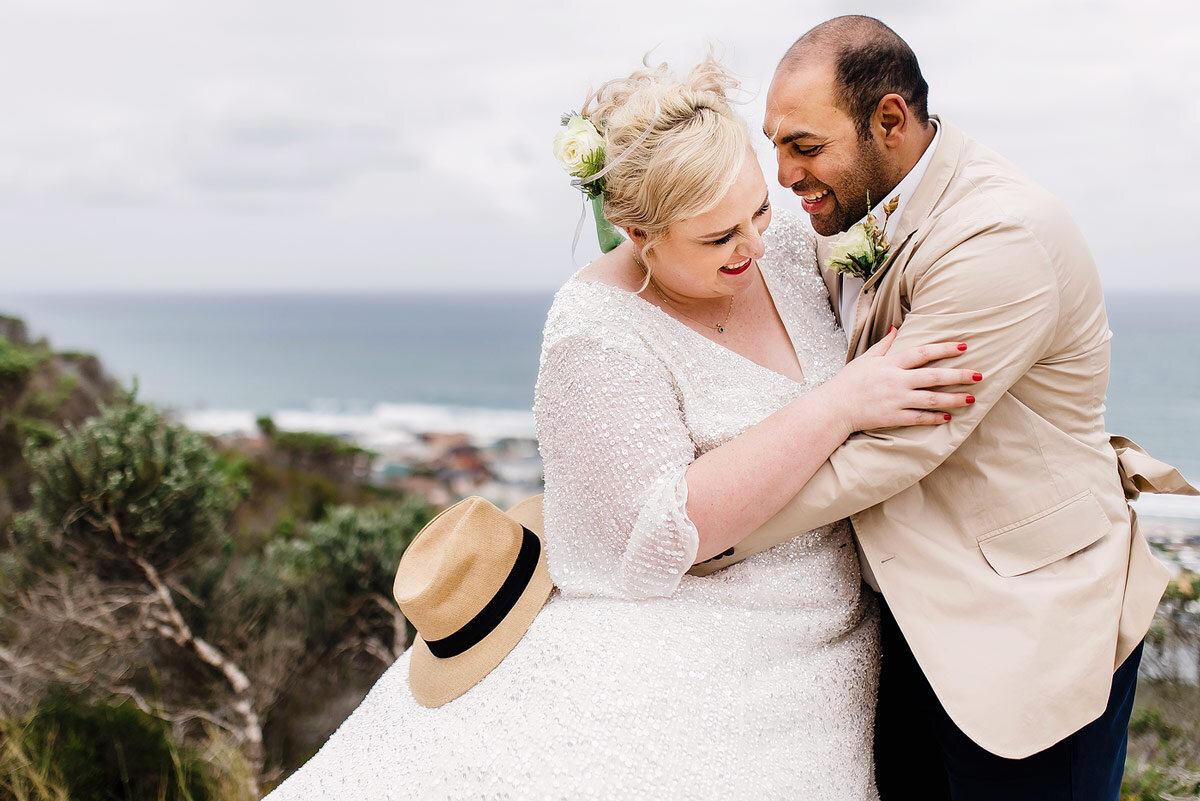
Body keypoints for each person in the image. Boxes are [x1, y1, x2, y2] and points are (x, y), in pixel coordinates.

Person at [262, 55, 980, 800]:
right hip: (700, 637)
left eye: (759, 210)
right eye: (717, 238)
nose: (757, 246)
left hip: (831, 628)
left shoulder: (786, 251)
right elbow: (665, 530)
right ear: (637, 231)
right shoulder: (594, 331)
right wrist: (839, 404)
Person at [690, 15, 1196, 801]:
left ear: (889, 121)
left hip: (1026, 621)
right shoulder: (853, 210)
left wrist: (703, 531)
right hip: (905, 622)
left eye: (805, 145)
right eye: (777, 143)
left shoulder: (1001, 238)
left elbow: (893, 446)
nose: (784, 174)